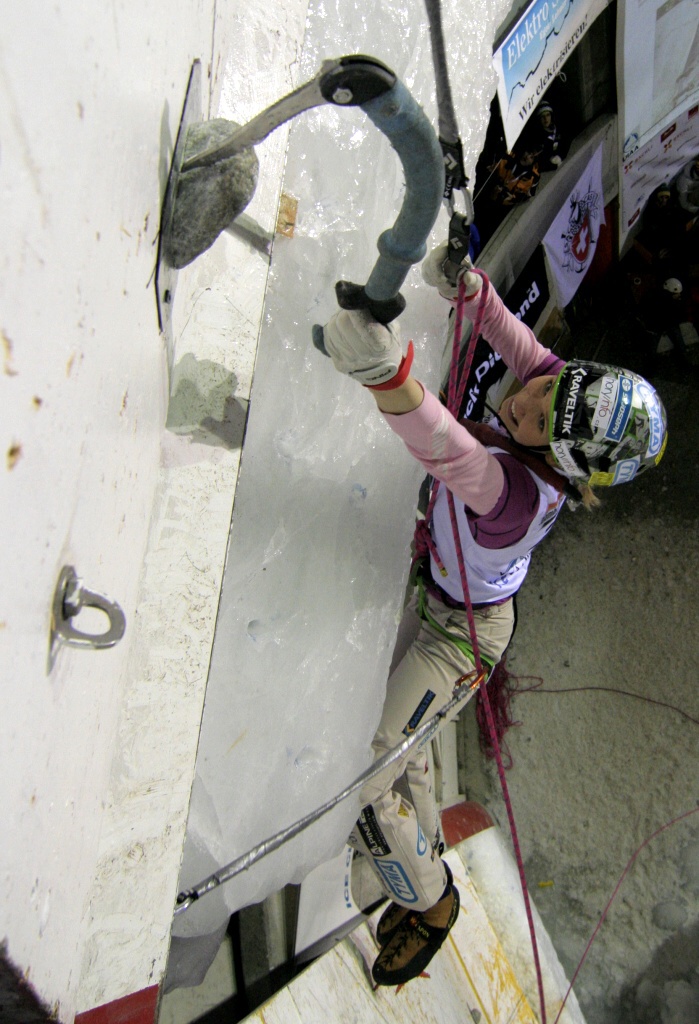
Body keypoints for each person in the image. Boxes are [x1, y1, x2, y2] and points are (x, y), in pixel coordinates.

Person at [319, 243, 668, 987]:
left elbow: (444, 446)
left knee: (367, 768)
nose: (525, 404)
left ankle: (430, 900)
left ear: (566, 461)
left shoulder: (512, 497)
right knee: (397, 745)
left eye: (543, 420)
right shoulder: (560, 410)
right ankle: (407, 857)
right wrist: (472, 291)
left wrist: (384, 376)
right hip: (452, 602)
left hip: (461, 636)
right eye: (549, 393)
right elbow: (526, 349)